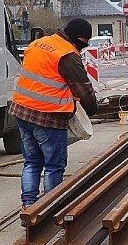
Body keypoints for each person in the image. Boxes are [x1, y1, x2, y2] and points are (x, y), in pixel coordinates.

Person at [9, 18, 98, 209]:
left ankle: (29, 204)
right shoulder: (67, 55)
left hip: (22, 112)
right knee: (53, 166)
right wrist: (91, 110)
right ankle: (51, 207)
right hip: (48, 117)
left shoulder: (39, 43)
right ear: (79, 39)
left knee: (31, 162)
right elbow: (83, 89)